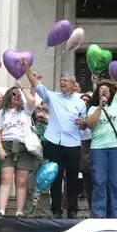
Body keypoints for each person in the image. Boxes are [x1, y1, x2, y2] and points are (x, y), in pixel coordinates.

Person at [23, 61, 86, 219]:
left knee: (72, 178)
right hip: (54, 143)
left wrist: (83, 123)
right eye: (61, 80)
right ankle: (56, 209)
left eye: (65, 81)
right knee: (55, 177)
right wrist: (26, 67)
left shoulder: (80, 103)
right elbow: (35, 84)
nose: (62, 82)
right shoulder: (52, 96)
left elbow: (85, 125)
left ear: (73, 84)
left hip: (73, 144)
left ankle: (72, 209)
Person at [86, 52, 117, 218]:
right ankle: (99, 214)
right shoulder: (92, 109)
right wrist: (99, 106)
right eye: (101, 90)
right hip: (98, 149)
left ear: (111, 93)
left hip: (115, 149)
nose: (104, 91)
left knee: (116, 183)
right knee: (99, 182)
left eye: (107, 90)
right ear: (97, 94)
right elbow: (91, 125)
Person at [0, 83, 37, 217]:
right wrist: (0, 148)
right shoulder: (2, 112)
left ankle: (19, 211)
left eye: (19, 95)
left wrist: (22, 88)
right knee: (6, 178)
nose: (17, 96)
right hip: (7, 144)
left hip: (24, 145)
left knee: (21, 181)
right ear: (8, 96)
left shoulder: (26, 110)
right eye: (14, 94)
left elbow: (32, 100)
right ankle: (1, 210)